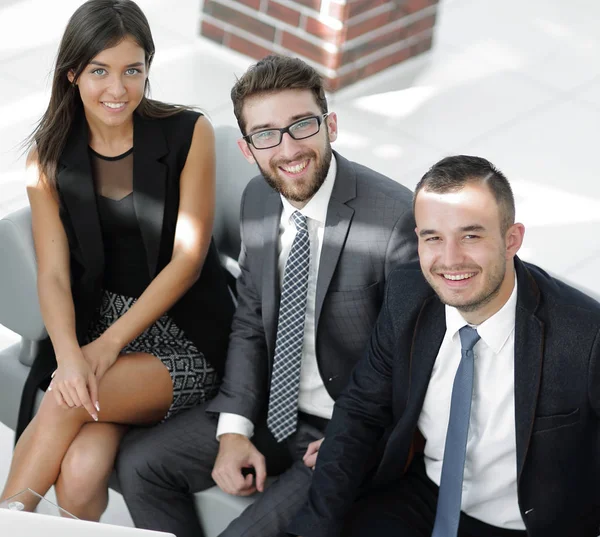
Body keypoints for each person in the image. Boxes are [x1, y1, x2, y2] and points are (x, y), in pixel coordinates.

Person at [116, 54, 418, 537]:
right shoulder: (258, 199)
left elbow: (411, 360)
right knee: (140, 464)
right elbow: (251, 321)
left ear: (330, 125)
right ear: (247, 148)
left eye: (302, 125)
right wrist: (234, 430)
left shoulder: (397, 220)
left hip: (344, 426)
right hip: (272, 408)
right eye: (266, 134)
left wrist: (354, 440)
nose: (288, 147)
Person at [0, 0, 234, 522]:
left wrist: (106, 347)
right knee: (80, 476)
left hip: (183, 332)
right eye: (99, 71)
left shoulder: (186, 133)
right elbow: (54, 274)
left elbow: (189, 259)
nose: (118, 89)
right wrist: (70, 355)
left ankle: (6, 521)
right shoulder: (50, 157)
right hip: (96, 334)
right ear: (72, 73)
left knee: (64, 402)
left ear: (148, 68)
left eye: (133, 70)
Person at [288, 155, 600, 537]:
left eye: (471, 235)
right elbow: (361, 411)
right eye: (433, 237)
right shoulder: (408, 293)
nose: (450, 260)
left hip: (528, 525)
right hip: (424, 496)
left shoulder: (586, 337)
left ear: (511, 240)